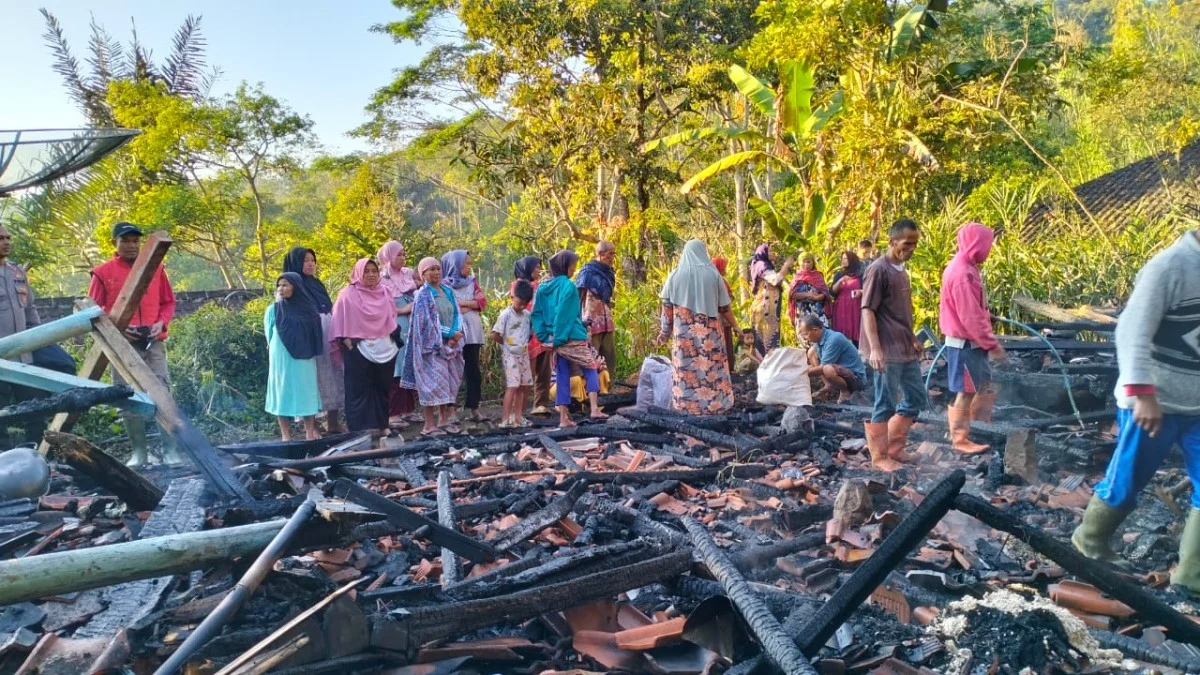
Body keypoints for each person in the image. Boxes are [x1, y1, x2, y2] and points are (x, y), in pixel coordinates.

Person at [1071, 229, 1200, 594]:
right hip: (1154, 402)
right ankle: (1089, 542)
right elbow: (1131, 331)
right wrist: (1142, 392)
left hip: (1198, 404)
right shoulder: (1170, 267)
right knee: (1128, 478)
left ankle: (1191, 578)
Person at [88, 222, 177, 466]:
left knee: (162, 391)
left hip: (153, 341)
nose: (131, 245)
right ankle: (139, 453)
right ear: (114, 243)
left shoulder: (156, 269)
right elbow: (93, 309)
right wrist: (118, 327)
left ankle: (170, 451)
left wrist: (161, 323)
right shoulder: (102, 272)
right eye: (125, 240)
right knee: (127, 395)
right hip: (121, 344)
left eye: (135, 240)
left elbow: (168, 302)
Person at [860, 218, 926, 473]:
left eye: (915, 244)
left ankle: (896, 447)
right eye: (906, 244)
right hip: (886, 349)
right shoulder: (879, 270)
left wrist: (912, 338)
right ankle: (879, 456)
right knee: (885, 401)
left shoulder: (901, 271)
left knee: (916, 396)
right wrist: (875, 348)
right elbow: (867, 310)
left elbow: (901, 312)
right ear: (892, 241)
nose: (911, 249)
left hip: (903, 346)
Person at [938, 223, 1006, 455]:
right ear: (977, 244)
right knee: (966, 391)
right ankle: (959, 439)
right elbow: (970, 316)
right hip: (965, 343)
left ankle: (977, 427)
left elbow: (972, 309)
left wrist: (987, 315)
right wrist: (992, 344)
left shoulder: (966, 266)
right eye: (987, 244)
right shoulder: (963, 273)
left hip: (971, 343)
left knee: (982, 383)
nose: (989, 249)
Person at [658, 240, 738, 414]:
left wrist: (664, 332)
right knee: (712, 368)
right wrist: (737, 327)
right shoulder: (713, 275)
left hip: (684, 336)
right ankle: (716, 406)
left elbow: (666, 309)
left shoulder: (675, 275)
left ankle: (685, 406)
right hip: (711, 335)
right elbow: (724, 307)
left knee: (686, 368)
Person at [531, 250, 608, 429]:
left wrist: (545, 337)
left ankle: (564, 418)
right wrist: (558, 338)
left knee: (563, 374)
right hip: (571, 335)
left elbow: (537, 314)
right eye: (572, 265)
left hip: (554, 337)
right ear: (564, 266)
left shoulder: (543, 288)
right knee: (590, 366)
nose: (574, 269)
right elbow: (563, 315)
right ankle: (595, 408)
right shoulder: (568, 286)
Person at [331, 259, 399, 437]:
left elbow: (392, 317)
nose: (370, 275)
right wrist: (347, 341)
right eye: (366, 271)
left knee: (382, 388)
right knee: (359, 390)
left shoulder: (385, 292)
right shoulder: (347, 294)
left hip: (384, 348)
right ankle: (360, 431)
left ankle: (382, 425)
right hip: (358, 348)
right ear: (358, 273)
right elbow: (338, 318)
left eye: (374, 271)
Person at [400, 257, 465, 436]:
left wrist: (455, 334)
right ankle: (429, 424)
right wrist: (448, 334)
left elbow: (457, 313)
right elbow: (426, 324)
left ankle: (443, 420)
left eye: (437, 269)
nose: (435, 272)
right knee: (431, 384)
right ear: (423, 274)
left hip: (451, 346)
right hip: (431, 348)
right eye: (431, 270)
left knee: (448, 383)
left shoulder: (447, 290)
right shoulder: (422, 295)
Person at [283, 247, 345, 434]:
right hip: (309, 337)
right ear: (296, 263)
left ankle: (333, 422)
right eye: (305, 260)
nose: (311, 264)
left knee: (333, 376)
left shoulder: (317, 284)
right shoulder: (292, 286)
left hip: (327, 334)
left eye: (313, 260)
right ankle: (312, 426)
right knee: (313, 379)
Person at [264, 273, 323, 441]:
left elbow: (316, 334)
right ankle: (285, 435)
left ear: (296, 287)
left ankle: (309, 433)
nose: (281, 289)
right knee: (282, 392)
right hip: (281, 359)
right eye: (279, 285)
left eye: (286, 285)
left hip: (304, 359)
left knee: (306, 392)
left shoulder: (310, 310)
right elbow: (268, 335)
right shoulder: (273, 310)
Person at [378, 241, 421, 429]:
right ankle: (393, 413)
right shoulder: (382, 279)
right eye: (398, 254)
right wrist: (404, 309)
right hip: (395, 329)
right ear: (388, 256)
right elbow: (381, 308)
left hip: (413, 327)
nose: (403, 258)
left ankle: (409, 409)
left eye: (404, 254)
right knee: (396, 369)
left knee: (411, 366)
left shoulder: (409, 274)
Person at [441, 250, 488, 423]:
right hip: (455, 333)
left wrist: (465, 304)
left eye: (469, 263)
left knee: (473, 371)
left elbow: (482, 302)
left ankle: (474, 408)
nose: (469, 267)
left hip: (473, 333)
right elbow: (446, 306)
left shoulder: (472, 282)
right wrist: (469, 305)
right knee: (452, 371)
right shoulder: (444, 285)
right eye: (466, 264)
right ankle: (450, 410)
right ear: (455, 264)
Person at [492, 280, 534, 428]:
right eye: (519, 302)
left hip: (523, 353)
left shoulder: (527, 316)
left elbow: (530, 332)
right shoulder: (505, 315)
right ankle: (505, 419)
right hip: (510, 354)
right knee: (512, 386)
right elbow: (496, 334)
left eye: (525, 303)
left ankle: (518, 417)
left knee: (522, 386)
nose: (521, 306)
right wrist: (507, 345)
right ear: (512, 297)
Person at [799, 314, 867, 403]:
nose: (805, 338)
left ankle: (845, 391)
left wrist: (799, 373)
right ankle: (828, 385)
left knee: (827, 369)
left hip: (856, 379)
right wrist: (798, 370)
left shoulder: (833, 339)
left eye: (806, 334)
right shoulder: (820, 340)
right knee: (811, 352)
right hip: (843, 373)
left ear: (815, 330)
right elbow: (813, 366)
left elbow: (821, 368)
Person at [515, 256, 552, 416]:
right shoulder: (517, 286)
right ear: (527, 269)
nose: (538, 270)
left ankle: (540, 404)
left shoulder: (540, 286)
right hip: (527, 336)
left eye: (539, 267)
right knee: (527, 374)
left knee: (545, 371)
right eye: (535, 267)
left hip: (542, 333)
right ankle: (520, 409)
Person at [576, 241, 618, 381]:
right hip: (591, 322)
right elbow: (579, 297)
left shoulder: (609, 272)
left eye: (614, 253)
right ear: (600, 254)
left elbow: (607, 295)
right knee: (592, 357)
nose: (613, 257)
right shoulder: (587, 272)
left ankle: (606, 388)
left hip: (607, 321)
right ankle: (590, 392)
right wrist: (578, 320)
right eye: (610, 254)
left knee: (609, 357)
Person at [749, 244, 794, 353]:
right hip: (766, 307)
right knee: (768, 336)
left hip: (769, 306)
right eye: (770, 251)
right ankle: (768, 363)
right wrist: (786, 265)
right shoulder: (762, 265)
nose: (773, 253)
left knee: (768, 334)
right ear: (763, 253)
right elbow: (775, 280)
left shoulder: (766, 266)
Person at [788, 253, 831, 341]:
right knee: (805, 337)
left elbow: (824, 293)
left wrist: (818, 297)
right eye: (804, 262)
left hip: (817, 312)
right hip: (802, 313)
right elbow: (792, 294)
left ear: (813, 263)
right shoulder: (797, 278)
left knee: (822, 336)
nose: (806, 264)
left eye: (809, 262)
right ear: (799, 263)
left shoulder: (818, 276)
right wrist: (809, 295)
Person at [830, 251, 865, 344]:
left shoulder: (862, 274)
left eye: (846, 258)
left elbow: (870, 289)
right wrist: (839, 282)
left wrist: (861, 292)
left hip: (856, 309)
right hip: (841, 309)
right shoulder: (839, 274)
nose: (843, 261)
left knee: (857, 334)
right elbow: (832, 292)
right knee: (841, 335)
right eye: (842, 259)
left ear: (852, 260)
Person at [712, 257, 736, 376]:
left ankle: (727, 368)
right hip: (721, 316)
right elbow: (725, 300)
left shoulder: (720, 280)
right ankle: (726, 368)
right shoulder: (717, 280)